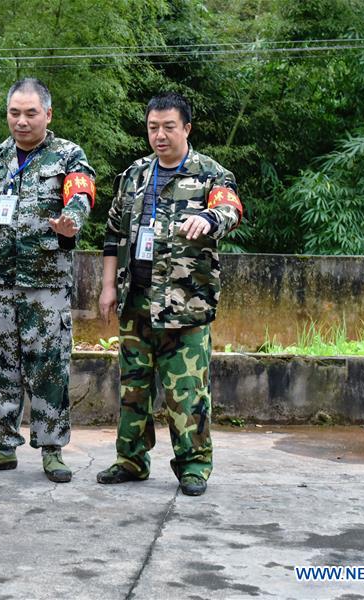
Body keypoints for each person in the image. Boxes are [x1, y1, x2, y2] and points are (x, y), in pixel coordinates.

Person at [96, 92, 242, 496]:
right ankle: (130, 460)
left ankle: (194, 466)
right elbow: (113, 235)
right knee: (133, 389)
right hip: (136, 301)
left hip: (186, 308)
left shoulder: (211, 174)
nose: (159, 136)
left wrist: (209, 219)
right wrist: (108, 287)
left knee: (188, 393)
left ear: (187, 129)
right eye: (153, 127)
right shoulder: (134, 176)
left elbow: (230, 209)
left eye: (168, 127)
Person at [0, 78, 95, 483]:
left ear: (48, 115)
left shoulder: (68, 156)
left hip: (45, 285)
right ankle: (0, 446)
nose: (21, 121)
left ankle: (52, 450)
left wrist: (72, 221)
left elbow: (81, 193)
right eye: (14, 113)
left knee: (49, 367)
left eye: (31, 113)